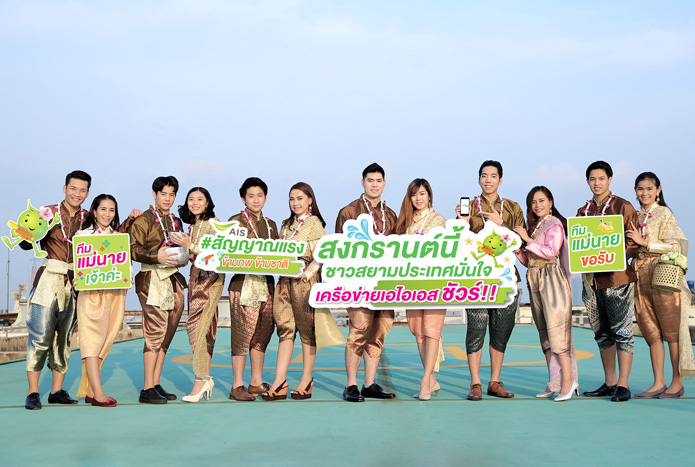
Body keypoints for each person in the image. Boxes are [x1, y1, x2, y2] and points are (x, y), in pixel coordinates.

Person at [455, 160, 525, 401]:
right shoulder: (469, 208)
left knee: (501, 330)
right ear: (479, 179)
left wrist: (501, 223)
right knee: (475, 329)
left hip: (506, 278)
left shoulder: (513, 207)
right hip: (476, 279)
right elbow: (457, 244)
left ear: (500, 180)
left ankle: (495, 381)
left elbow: (521, 241)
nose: (488, 180)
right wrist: (461, 224)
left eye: (493, 176)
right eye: (484, 175)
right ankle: (475, 383)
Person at [23, 170, 91, 410]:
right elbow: (27, 241)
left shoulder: (89, 218)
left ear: (88, 193)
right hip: (49, 279)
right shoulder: (47, 213)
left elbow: (111, 237)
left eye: (82, 190)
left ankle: (56, 390)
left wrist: (131, 220)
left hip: (75, 282)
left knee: (64, 338)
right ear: (65, 188)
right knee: (40, 335)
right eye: (73, 188)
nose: (77, 193)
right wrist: (25, 234)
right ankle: (33, 392)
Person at [625, 172, 695, 398]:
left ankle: (677, 382)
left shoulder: (664, 213)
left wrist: (645, 243)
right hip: (639, 275)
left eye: (649, 188)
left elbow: (676, 245)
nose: (644, 193)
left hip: (661, 275)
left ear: (658, 190)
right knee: (651, 331)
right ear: (635, 191)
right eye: (640, 189)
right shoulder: (633, 215)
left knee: (671, 331)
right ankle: (658, 382)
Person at [577, 161, 639, 402]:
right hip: (591, 281)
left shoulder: (623, 206)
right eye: (592, 179)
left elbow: (633, 243)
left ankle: (623, 384)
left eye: (601, 178)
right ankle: (610, 382)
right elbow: (578, 244)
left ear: (610, 179)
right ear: (587, 181)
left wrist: (612, 256)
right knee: (601, 333)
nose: (597, 183)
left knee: (621, 331)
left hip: (617, 279)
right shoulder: (583, 211)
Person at [336, 162, 398, 402]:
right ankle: (351, 385)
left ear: (384, 184)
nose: (374, 184)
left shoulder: (391, 214)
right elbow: (338, 251)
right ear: (362, 182)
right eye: (370, 180)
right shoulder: (349, 212)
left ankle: (369, 384)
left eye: (378, 180)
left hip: (385, 284)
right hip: (358, 283)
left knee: (379, 333)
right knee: (359, 331)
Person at [75, 194, 142, 407]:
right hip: (91, 295)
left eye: (111, 210)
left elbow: (126, 266)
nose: (107, 214)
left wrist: (127, 276)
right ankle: (98, 393)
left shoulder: (119, 237)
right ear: (94, 211)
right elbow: (78, 265)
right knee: (91, 342)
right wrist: (79, 276)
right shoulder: (83, 235)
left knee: (106, 340)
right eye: (103, 209)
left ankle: (90, 390)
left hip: (115, 294)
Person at [263, 182, 328, 401]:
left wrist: (307, 274)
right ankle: (279, 381)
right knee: (285, 329)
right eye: (292, 199)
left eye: (300, 198)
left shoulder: (314, 224)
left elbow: (321, 255)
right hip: (283, 282)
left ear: (310, 200)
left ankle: (306, 380)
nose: (295, 203)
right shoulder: (286, 225)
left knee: (307, 331)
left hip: (305, 283)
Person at [514, 186, 579, 402]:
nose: (537, 205)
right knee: (545, 335)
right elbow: (530, 261)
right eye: (533, 202)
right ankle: (555, 382)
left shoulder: (555, 224)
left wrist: (526, 239)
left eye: (541, 200)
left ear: (550, 202)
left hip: (551, 280)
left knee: (557, 333)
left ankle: (568, 380)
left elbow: (550, 253)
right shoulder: (537, 227)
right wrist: (518, 250)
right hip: (535, 279)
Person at [129, 176, 187, 404]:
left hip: (174, 280)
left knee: (167, 334)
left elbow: (181, 250)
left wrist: (183, 257)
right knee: (154, 333)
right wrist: (156, 256)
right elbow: (132, 249)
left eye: (172, 194)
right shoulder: (143, 220)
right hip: (151, 279)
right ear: (154, 194)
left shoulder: (176, 221)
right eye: (163, 194)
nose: (168, 198)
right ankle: (146, 388)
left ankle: (155, 382)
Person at [394, 179, 447, 401]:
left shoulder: (439, 220)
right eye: (414, 194)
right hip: (411, 283)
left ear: (429, 196)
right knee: (418, 331)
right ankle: (432, 380)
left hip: (434, 282)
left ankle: (425, 380)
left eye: (422, 193)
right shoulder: (404, 223)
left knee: (432, 329)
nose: (418, 198)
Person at [227, 177, 277, 401]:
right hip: (242, 285)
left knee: (262, 334)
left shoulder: (271, 225)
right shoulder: (235, 222)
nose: (256, 200)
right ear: (243, 199)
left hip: (266, 285)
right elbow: (227, 253)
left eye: (259, 196)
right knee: (241, 334)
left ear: (265, 198)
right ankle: (237, 384)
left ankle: (256, 382)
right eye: (251, 196)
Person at [172, 187, 223, 402]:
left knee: (200, 327)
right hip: (195, 277)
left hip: (210, 279)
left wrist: (190, 245)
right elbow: (192, 255)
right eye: (191, 199)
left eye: (200, 199)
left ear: (207, 202)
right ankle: (204, 377)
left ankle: (200, 380)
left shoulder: (215, 223)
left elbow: (218, 253)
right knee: (198, 328)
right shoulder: (193, 225)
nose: (195, 203)